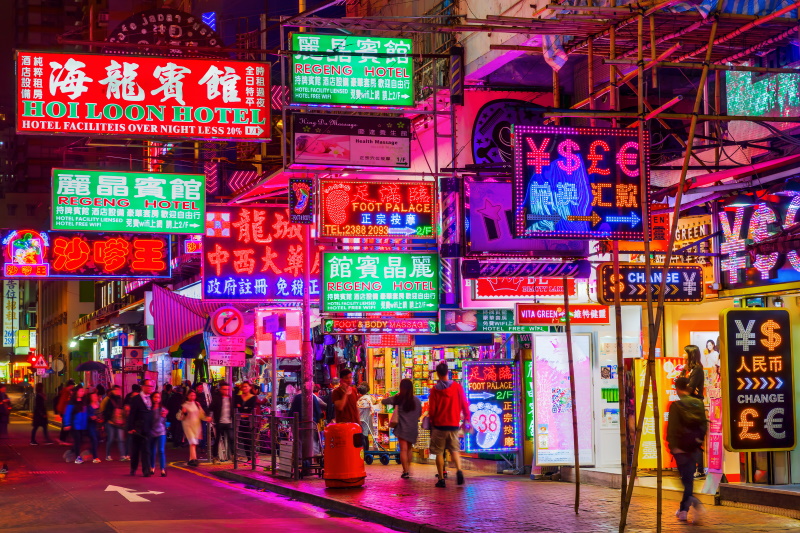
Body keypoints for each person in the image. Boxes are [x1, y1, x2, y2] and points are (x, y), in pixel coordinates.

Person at [667, 377, 708, 523]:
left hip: (681, 449)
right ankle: (683, 510)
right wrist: (698, 441)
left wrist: (673, 446)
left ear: (677, 389)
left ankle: (693, 505)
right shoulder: (698, 403)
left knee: (686, 481)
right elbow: (704, 425)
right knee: (688, 480)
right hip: (694, 448)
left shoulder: (676, 406)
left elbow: (672, 429)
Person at [428, 362, 470, 488]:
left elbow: (432, 409)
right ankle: (459, 470)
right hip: (453, 424)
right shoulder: (457, 387)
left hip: (439, 425)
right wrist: (467, 418)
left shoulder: (435, 390)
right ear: (448, 372)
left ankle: (441, 479)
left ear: (437, 374)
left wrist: (431, 422)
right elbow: (464, 403)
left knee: (439, 452)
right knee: (454, 449)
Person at [382, 379, 422, 479]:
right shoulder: (416, 400)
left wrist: (395, 396)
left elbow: (384, 401)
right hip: (412, 428)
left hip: (402, 428)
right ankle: (408, 468)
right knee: (409, 449)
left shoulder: (398, 399)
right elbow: (419, 414)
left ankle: (405, 471)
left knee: (403, 450)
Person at [684, 344, 706, 478]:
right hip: (689, 406)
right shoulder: (689, 369)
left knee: (695, 439)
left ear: (691, 354)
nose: (682, 355)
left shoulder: (697, 369)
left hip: (694, 407)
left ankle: (700, 469)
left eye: (685, 353)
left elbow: (690, 388)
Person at [126, 379, 155, 477]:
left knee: (146, 450)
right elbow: (131, 414)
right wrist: (130, 427)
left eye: (152, 386)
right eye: (149, 386)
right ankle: (133, 468)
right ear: (143, 386)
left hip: (147, 429)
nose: (151, 388)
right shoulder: (136, 399)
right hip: (137, 429)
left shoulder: (151, 398)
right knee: (135, 450)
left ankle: (146, 470)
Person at [180, 389, 210, 466]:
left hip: (196, 426)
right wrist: (183, 413)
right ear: (187, 396)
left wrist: (206, 418)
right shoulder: (184, 405)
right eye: (191, 395)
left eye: (194, 395)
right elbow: (180, 417)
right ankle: (194, 459)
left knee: (194, 443)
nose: (193, 397)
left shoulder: (197, 404)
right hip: (188, 425)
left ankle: (191, 459)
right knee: (193, 442)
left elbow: (201, 414)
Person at [63, 387, 90, 463]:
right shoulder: (71, 402)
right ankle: (78, 457)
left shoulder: (84, 401)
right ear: (76, 392)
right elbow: (67, 414)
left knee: (80, 441)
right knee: (77, 440)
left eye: (83, 391)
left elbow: (85, 413)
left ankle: (70, 453)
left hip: (83, 426)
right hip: (74, 425)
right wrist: (67, 424)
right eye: (80, 391)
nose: (82, 392)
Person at [101, 385, 128, 461]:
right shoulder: (108, 399)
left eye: (119, 390)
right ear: (112, 390)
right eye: (116, 390)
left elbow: (122, 409)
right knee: (111, 438)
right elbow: (105, 411)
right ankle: (108, 455)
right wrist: (110, 418)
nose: (117, 391)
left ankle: (122, 456)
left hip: (119, 422)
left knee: (121, 439)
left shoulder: (120, 399)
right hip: (110, 422)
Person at [210, 383, 234, 462]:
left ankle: (233, 455)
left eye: (227, 389)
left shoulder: (230, 398)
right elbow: (211, 408)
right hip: (220, 422)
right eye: (224, 389)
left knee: (231, 438)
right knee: (217, 439)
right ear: (220, 389)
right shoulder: (217, 398)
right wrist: (209, 416)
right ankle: (215, 456)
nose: (226, 391)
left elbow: (232, 410)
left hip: (228, 422)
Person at [149, 391, 168, 477]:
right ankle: (152, 467)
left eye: (158, 397)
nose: (156, 399)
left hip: (161, 431)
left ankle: (162, 469)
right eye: (155, 397)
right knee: (152, 450)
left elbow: (164, 421)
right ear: (152, 398)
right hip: (152, 431)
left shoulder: (163, 409)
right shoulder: (149, 409)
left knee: (161, 450)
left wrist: (165, 415)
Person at [356, 383, 375, 456]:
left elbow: (358, 411)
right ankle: (366, 452)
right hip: (366, 419)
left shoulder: (363, 401)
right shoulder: (369, 398)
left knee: (363, 436)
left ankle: (365, 452)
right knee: (365, 435)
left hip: (362, 420)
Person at [56, 380, 75, 444]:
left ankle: (63, 438)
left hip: (64, 411)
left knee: (66, 425)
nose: (73, 387)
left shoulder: (66, 391)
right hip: (65, 411)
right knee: (65, 425)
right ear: (70, 386)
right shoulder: (66, 392)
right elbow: (64, 402)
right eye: (72, 385)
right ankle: (62, 439)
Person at [86, 390, 102, 463]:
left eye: (95, 396)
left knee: (98, 440)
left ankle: (91, 450)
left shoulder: (98, 405)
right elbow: (87, 415)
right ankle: (95, 457)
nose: (95, 397)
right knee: (94, 439)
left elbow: (100, 415)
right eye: (93, 396)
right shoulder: (88, 407)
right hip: (91, 425)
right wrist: (91, 417)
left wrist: (100, 420)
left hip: (97, 425)